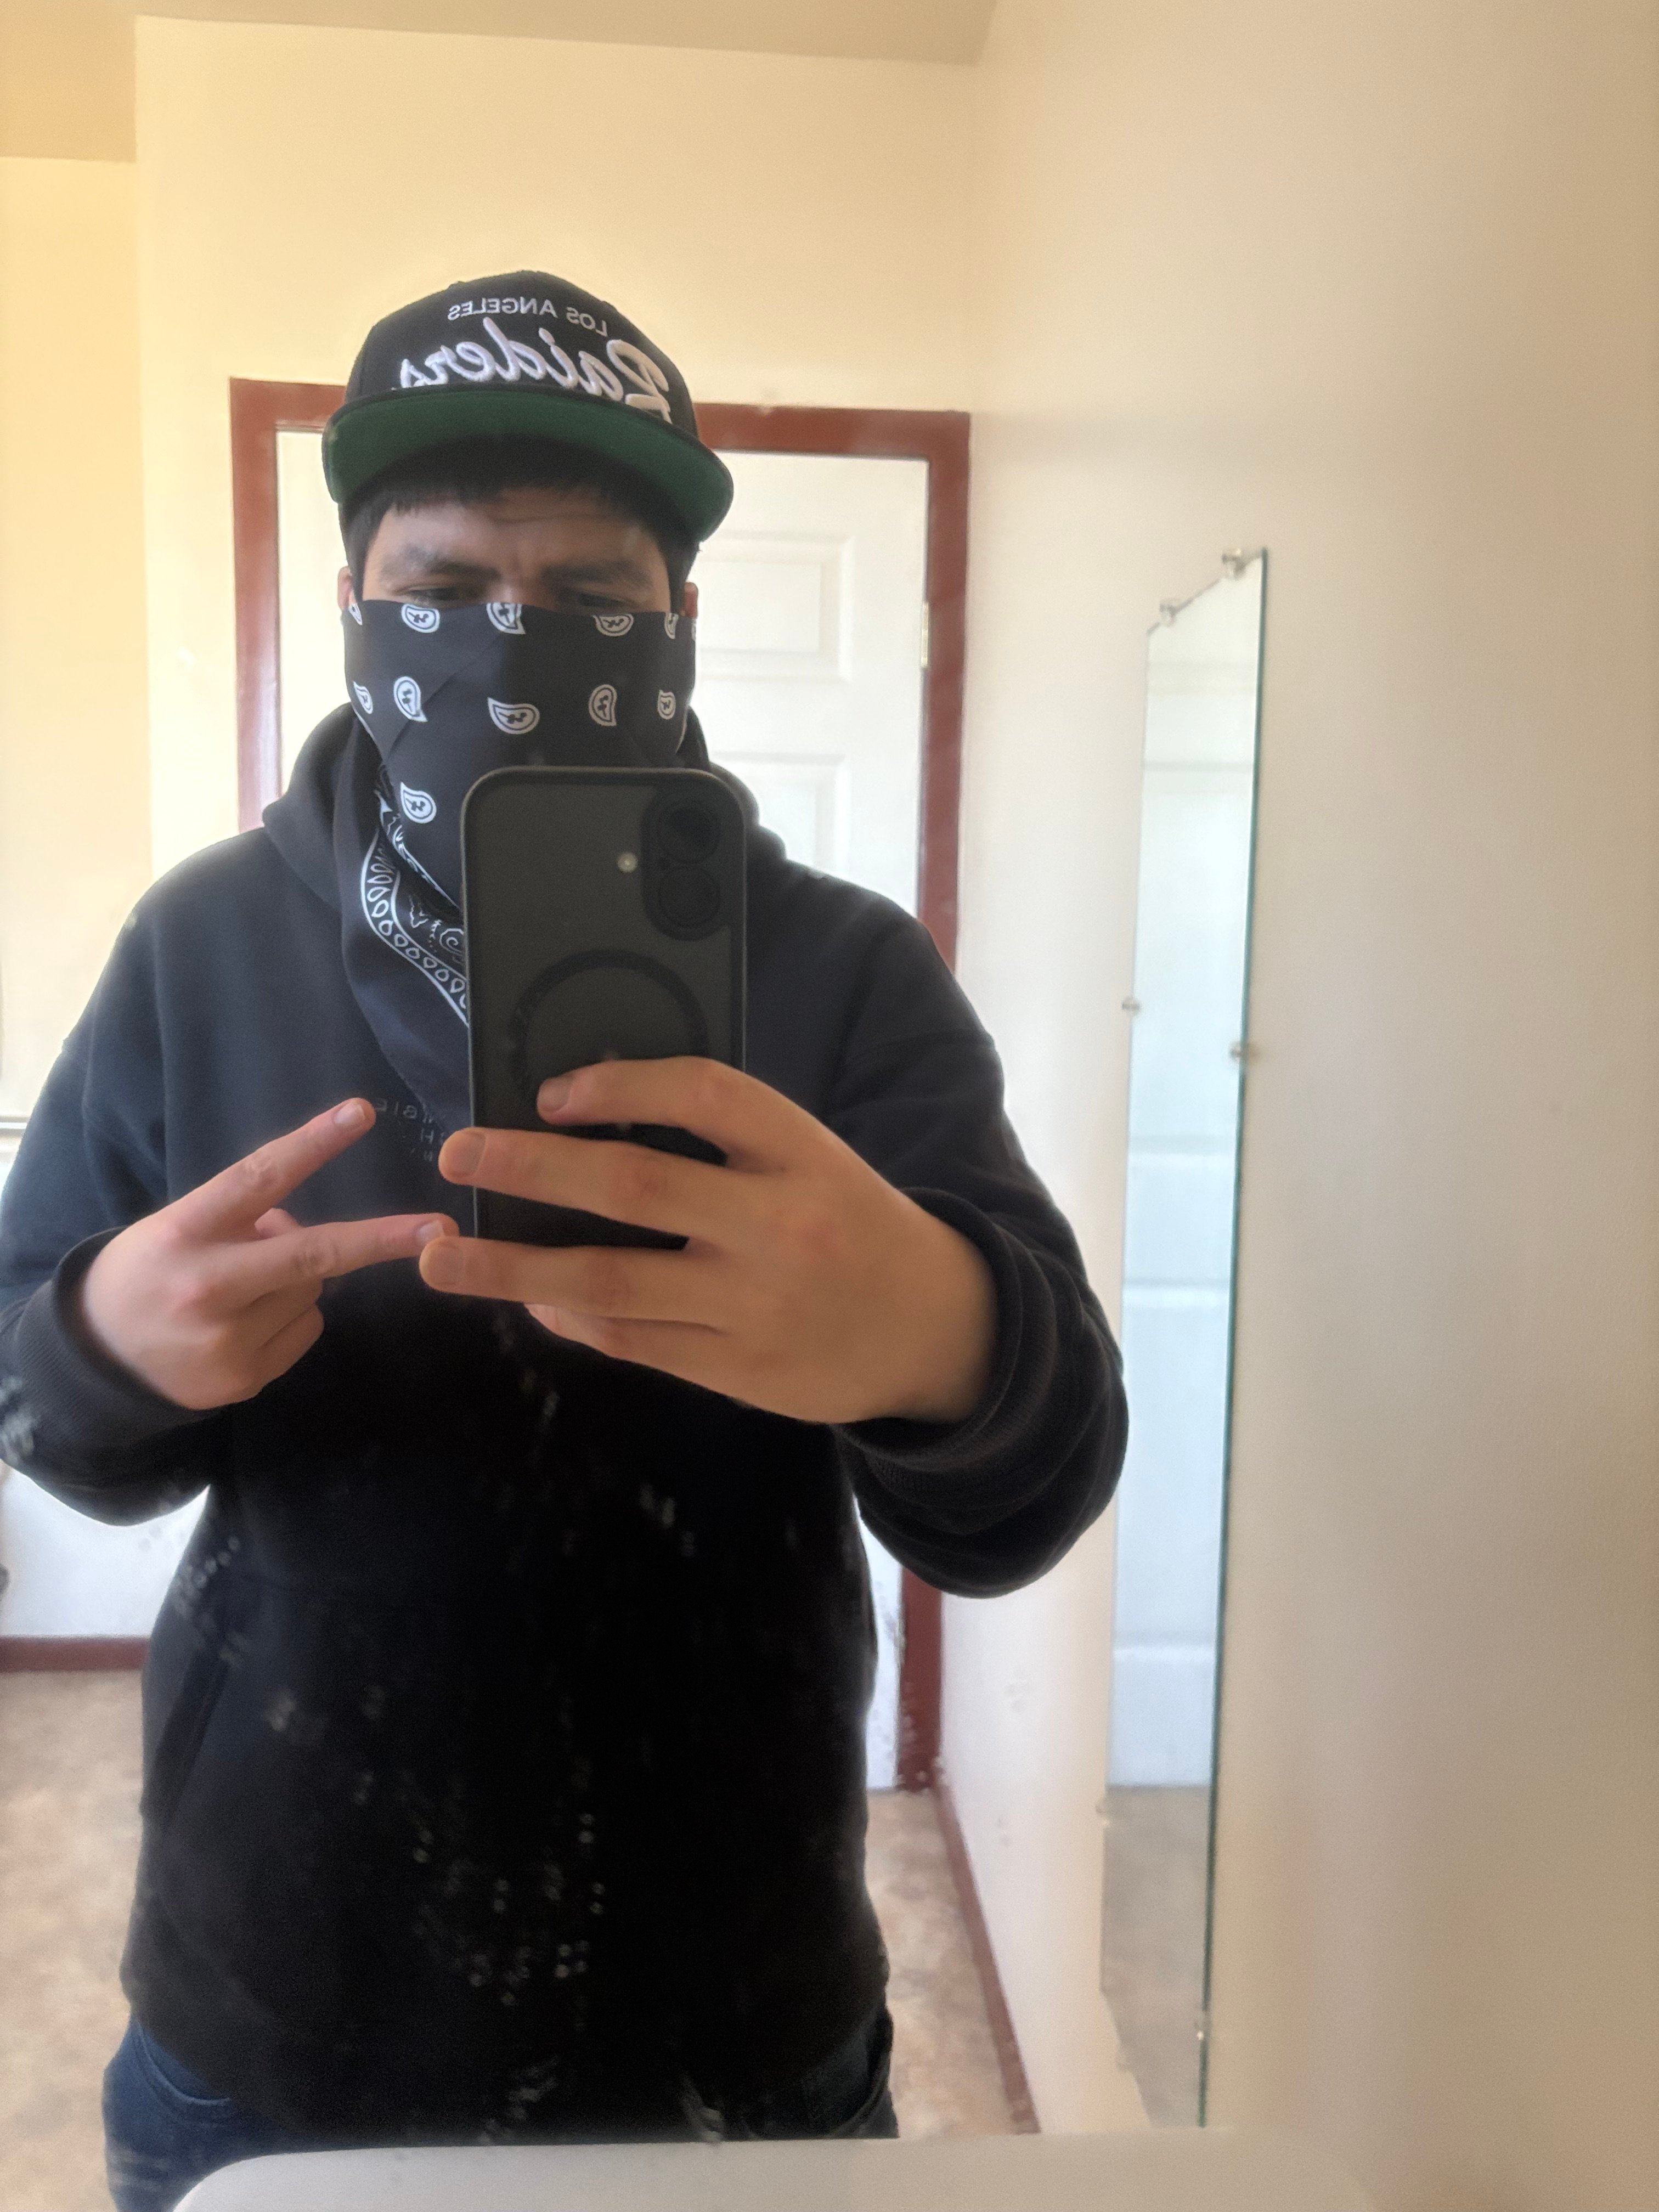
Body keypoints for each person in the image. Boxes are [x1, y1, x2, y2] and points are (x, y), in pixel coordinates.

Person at [0, 270, 1127, 2212]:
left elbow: (1037, 1484)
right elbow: (35, 1385)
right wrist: (106, 1341)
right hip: (277, 2009)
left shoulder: (847, 973)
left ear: (678, 619)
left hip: (740, 2016)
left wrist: (940, 1339)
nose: (512, 636)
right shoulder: (200, 947)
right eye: (442, 585)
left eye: (591, 593)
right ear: (354, 604)